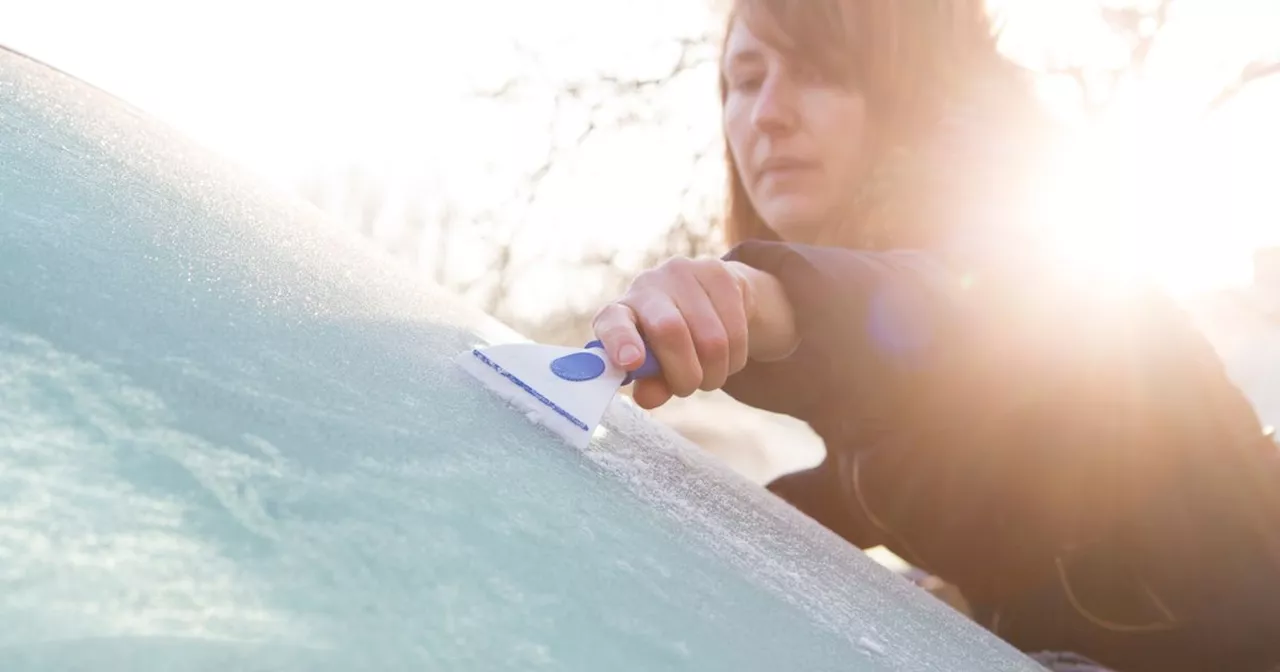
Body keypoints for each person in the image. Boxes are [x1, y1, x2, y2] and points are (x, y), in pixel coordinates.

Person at [588, 1, 1280, 671]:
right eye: (745, 80)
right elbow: (896, 477)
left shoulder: (1036, 250)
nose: (767, 114)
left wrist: (763, 293)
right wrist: (708, 523)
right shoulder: (882, 362)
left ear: (912, 84)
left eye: (821, 69)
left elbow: (963, 316)